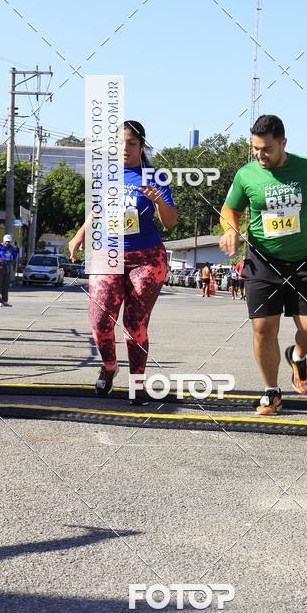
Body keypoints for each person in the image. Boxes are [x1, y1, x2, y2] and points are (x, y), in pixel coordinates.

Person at [219, 114, 307, 415]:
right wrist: (229, 230)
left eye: (266, 149)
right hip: (262, 261)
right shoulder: (246, 175)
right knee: (264, 328)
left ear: (283, 143)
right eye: (255, 149)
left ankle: (298, 356)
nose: (260, 155)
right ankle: (271, 392)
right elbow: (230, 209)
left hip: (303, 261)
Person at [68, 120, 177, 405]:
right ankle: (109, 366)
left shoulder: (156, 176)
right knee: (100, 321)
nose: (124, 148)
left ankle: (137, 384)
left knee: (134, 324)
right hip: (107, 253)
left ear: (141, 146)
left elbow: (170, 221)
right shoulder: (106, 175)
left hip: (146, 257)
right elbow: (97, 211)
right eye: (119, 143)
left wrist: (158, 202)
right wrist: (79, 235)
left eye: (131, 143)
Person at [0, 234, 18, 308]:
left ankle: (4, 301)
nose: (7, 243)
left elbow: (15, 255)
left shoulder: (11, 248)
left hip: (7, 267)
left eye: (9, 242)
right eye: (6, 241)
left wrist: (13, 260)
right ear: (3, 241)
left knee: (5, 285)